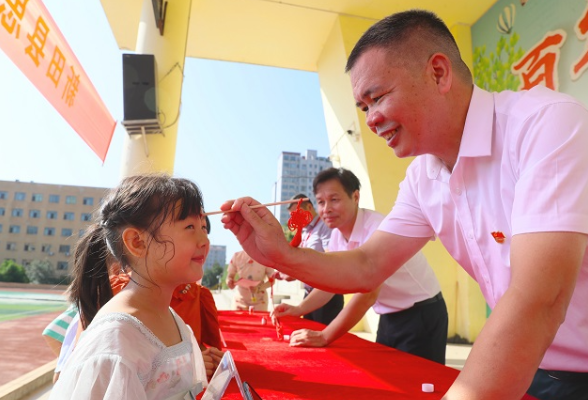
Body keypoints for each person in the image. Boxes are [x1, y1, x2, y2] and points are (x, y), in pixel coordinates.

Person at [220, 9, 588, 400]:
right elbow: (367, 265)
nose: (371, 121)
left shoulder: (546, 124)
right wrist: (279, 255)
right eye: (362, 108)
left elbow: (540, 298)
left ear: (438, 73)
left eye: (376, 98)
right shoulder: (422, 176)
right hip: (528, 363)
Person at [50, 174, 210, 400]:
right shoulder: (116, 340)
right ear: (137, 242)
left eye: (203, 227)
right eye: (190, 226)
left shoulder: (170, 317)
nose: (204, 240)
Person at [272, 168, 448, 364]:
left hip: (421, 314)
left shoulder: (377, 228)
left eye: (334, 200)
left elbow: (368, 295)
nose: (326, 209)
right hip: (388, 316)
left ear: (355, 196)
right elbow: (329, 284)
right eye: (321, 202)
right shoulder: (338, 235)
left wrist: (325, 336)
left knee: (422, 388)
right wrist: (298, 309)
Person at [278, 194, 344, 325]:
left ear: (309, 206)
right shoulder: (304, 231)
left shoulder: (325, 226)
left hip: (326, 296)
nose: (295, 218)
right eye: (292, 216)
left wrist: (297, 269)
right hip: (309, 294)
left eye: (297, 213)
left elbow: (331, 260)